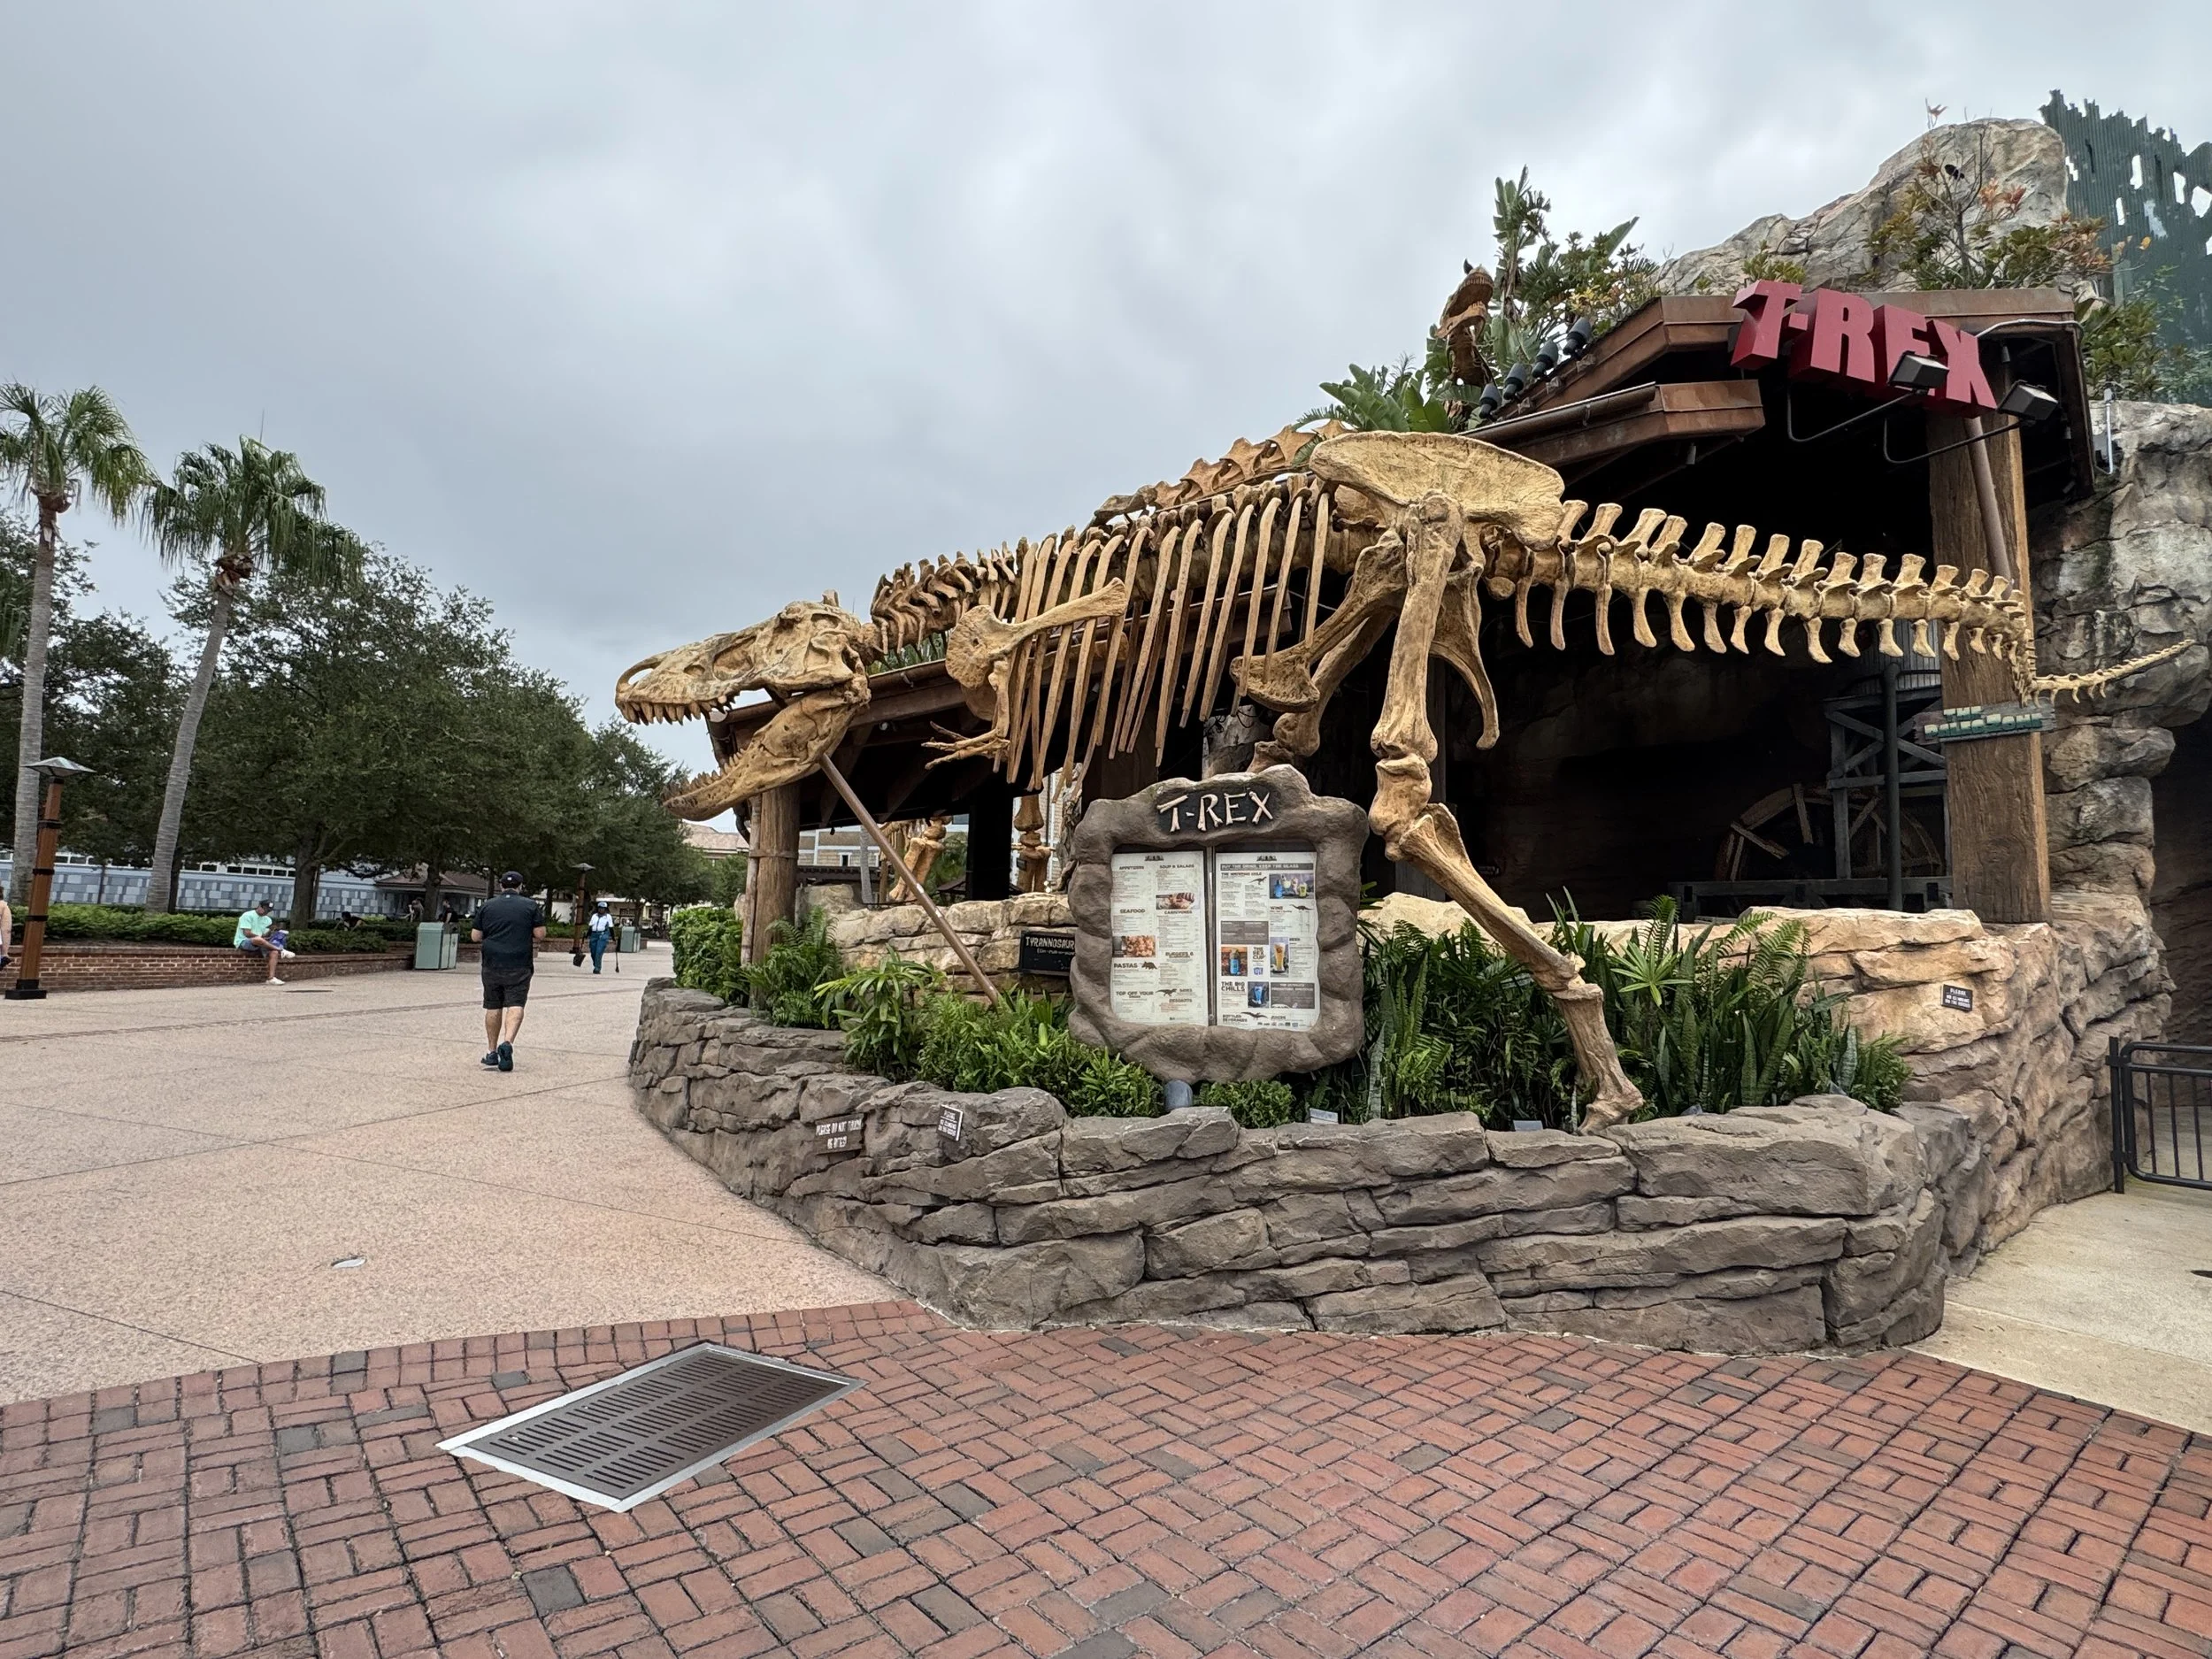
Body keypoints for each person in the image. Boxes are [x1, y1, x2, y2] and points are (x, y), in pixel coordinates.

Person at [472, 871, 544, 1071]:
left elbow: (475, 936)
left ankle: (492, 1051)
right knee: (516, 1003)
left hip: (492, 962)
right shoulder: (530, 906)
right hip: (519, 962)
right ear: (520, 886)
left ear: (501, 886)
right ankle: (508, 1042)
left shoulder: (487, 906)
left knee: (493, 1005)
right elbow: (540, 934)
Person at [234, 899, 290, 985]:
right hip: (243, 941)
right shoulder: (247, 915)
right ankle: (281, 950)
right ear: (259, 906)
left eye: (268, 911)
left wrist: (273, 932)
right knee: (259, 939)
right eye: (265, 909)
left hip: (259, 942)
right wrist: (261, 939)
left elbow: (264, 935)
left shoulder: (268, 920)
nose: (266, 912)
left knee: (274, 952)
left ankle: (271, 978)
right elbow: (247, 933)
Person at [586, 899, 614, 973]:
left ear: (605, 909)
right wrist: (587, 934)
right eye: (599, 908)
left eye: (602, 908)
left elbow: (611, 928)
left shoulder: (608, 917)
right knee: (593, 952)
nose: (601, 910)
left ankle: (597, 968)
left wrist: (613, 938)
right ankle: (596, 964)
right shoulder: (594, 916)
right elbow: (590, 927)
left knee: (599, 951)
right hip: (594, 935)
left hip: (603, 935)